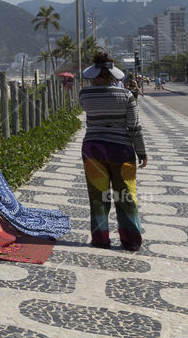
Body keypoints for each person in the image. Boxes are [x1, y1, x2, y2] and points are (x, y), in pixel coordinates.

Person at [79, 52, 148, 251]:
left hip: (92, 149)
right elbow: (134, 127)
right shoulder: (126, 95)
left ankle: (100, 239)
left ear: (94, 73)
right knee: (126, 196)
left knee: (98, 197)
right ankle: (131, 241)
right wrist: (142, 153)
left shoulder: (84, 94)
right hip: (121, 150)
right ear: (111, 73)